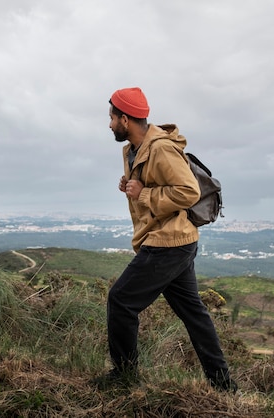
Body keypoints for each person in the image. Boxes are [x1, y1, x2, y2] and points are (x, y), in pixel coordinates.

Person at [92, 87, 237, 392]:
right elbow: (151, 187)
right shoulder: (130, 150)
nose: (109, 125)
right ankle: (224, 386)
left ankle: (124, 377)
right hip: (172, 240)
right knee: (194, 314)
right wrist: (131, 186)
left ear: (126, 118)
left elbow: (188, 191)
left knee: (121, 300)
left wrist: (143, 193)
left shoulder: (161, 148)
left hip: (168, 242)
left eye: (112, 118)